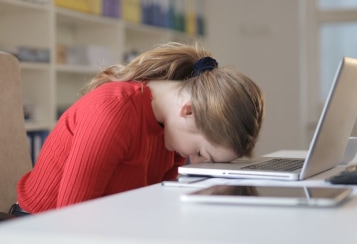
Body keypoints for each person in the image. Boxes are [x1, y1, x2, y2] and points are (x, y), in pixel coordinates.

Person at [15, 42, 264, 214]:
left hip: (107, 225)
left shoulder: (173, 131)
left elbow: (157, 203)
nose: (195, 163)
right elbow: (72, 219)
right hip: (41, 231)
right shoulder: (114, 111)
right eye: (201, 153)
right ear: (188, 111)